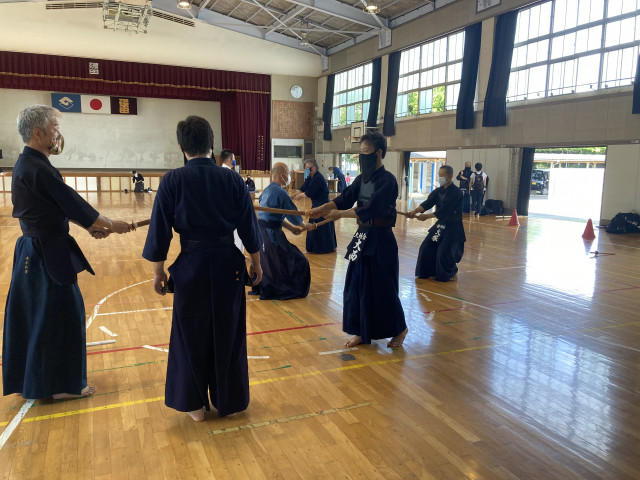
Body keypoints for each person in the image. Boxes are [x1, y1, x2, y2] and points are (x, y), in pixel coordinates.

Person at [3, 105, 132, 401]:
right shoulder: (36, 167)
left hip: (37, 250)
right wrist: (111, 224)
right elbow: (73, 203)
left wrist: (90, 227)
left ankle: (42, 382)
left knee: (43, 316)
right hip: (44, 253)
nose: (58, 135)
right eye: (55, 128)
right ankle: (61, 386)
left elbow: (58, 206)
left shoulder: (30, 165)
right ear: (38, 132)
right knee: (63, 314)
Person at [142, 116, 263, 422]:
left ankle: (193, 403)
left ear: (181, 147)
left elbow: (160, 231)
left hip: (191, 265)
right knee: (229, 332)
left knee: (189, 334)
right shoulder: (232, 179)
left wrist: (159, 271)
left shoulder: (172, 181)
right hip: (228, 264)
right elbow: (249, 226)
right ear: (212, 144)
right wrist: (256, 262)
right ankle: (228, 400)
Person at [309, 132, 407, 348]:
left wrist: (339, 215)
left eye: (365, 152)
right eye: (360, 152)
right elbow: (345, 198)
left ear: (378, 153)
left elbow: (371, 208)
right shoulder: (362, 179)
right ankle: (363, 332)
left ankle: (400, 328)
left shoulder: (388, 181)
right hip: (362, 237)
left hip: (380, 239)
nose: (362, 156)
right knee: (356, 285)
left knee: (382, 286)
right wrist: (322, 208)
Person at [251, 163, 312, 300]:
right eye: (288, 174)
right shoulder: (280, 193)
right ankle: (287, 288)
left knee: (270, 260)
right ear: (282, 175)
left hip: (261, 234)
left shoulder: (266, 191)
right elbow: (292, 214)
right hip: (272, 235)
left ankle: (268, 285)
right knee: (299, 260)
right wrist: (304, 225)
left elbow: (274, 216)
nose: (289, 177)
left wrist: (291, 228)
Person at [410, 165, 466, 281]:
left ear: (450, 176)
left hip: (453, 227)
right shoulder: (438, 191)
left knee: (443, 251)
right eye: (439, 176)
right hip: (441, 225)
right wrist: (414, 211)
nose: (440, 178)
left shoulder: (457, 193)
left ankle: (452, 271)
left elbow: (445, 210)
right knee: (426, 247)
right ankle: (428, 271)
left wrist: (427, 216)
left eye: (442, 176)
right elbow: (427, 203)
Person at [293, 159, 337, 254]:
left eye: (307, 168)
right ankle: (313, 248)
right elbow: (303, 188)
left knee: (321, 227)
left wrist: (298, 196)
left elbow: (308, 192)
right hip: (316, 204)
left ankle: (323, 248)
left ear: (314, 168)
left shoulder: (318, 178)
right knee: (316, 225)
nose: (306, 170)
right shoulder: (310, 177)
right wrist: (292, 195)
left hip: (323, 205)